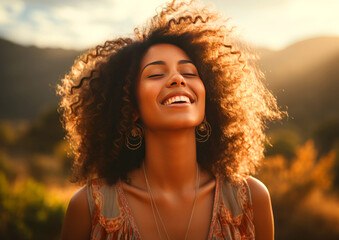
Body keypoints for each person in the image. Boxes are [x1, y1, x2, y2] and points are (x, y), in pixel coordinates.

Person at [57, 0, 283, 239]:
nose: (178, 79)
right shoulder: (89, 208)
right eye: (155, 74)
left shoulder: (251, 199)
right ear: (130, 107)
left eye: (189, 72)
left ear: (210, 99)